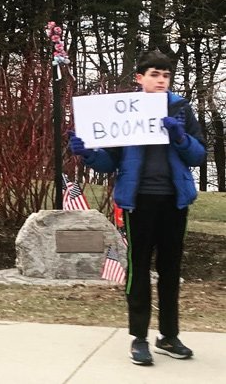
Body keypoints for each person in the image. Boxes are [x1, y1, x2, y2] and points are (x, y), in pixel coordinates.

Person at [68, 50, 206, 366]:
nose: (160, 80)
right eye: (154, 74)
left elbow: (198, 156)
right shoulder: (124, 111)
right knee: (139, 267)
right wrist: (87, 153)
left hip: (175, 200)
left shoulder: (181, 109)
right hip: (138, 201)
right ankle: (139, 338)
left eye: (166, 75)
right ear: (140, 78)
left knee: (171, 270)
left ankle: (169, 336)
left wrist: (180, 137)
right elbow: (109, 162)